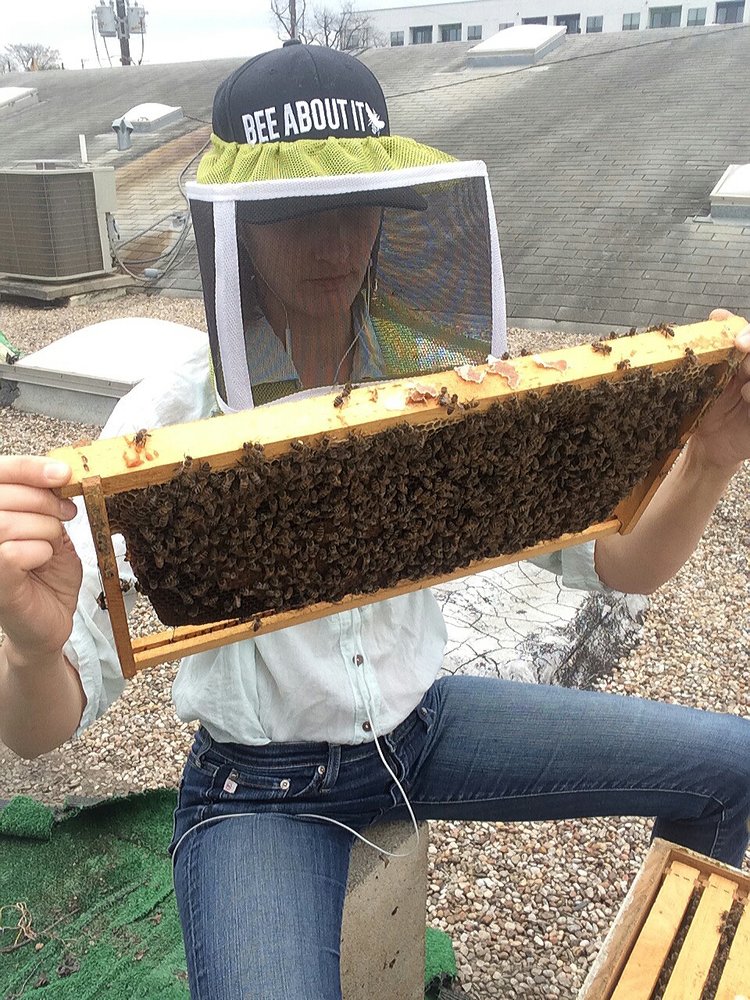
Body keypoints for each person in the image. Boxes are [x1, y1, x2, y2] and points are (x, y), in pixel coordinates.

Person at [1, 41, 750, 1000]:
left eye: (357, 205)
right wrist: (29, 647)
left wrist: (712, 457)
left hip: (424, 727)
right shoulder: (165, 421)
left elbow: (622, 564)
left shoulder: (439, 387)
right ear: (237, 232)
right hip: (255, 795)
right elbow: (40, 732)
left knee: (731, 765)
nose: (334, 243)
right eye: (295, 215)